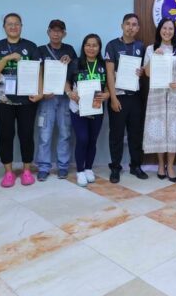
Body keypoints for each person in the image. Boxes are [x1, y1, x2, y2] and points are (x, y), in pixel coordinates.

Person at [0, 13, 40, 187]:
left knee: (26, 134)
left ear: (21, 26)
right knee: (5, 135)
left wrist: (40, 92)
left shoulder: (31, 46)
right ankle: (8, 172)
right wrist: (6, 59)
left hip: (27, 100)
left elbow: (39, 71)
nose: (13, 27)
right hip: (3, 101)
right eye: (9, 24)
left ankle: (26, 171)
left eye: (17, 24)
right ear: (4, 27)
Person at [143, 18, 176, 181]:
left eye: (171, 29)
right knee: (159, 128)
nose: (167, 31)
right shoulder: (151, 48)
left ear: (174, 31)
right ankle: (160, 164)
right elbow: (147, 73)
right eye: (164, 28)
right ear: (159, 30)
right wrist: (153, 57)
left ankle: (170, 165)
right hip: (157, 95)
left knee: (174, 129)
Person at [104, 13, 147, 183]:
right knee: (116, 135)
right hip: (118, 97)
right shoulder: (112, 45)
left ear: (138, 28)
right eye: (128, 24)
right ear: (122, 26)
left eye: (134, 24)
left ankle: (135, 166)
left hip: (135, 97)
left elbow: (145, 70)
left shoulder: (141, 46)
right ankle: (115, 167)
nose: (131, 27)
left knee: (135, 134)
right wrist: (113, 98)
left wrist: (142, 71)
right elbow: (109, 73)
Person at [33, 19, 76, 181]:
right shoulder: (40, 50)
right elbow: (36, 74)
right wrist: (42, 92)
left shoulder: (69, 49)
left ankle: (63, 166)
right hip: (46, 99)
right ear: (48, 32)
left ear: (64, 33)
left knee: (65, 133)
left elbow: (74, 73)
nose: (56, 33)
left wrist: (69, 62)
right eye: (53, 30)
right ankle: (43, 167)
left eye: (59, 31)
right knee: (45, 134)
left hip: (64, 98)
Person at [67, 34, 110, 187]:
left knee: (92, 139)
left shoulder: (103, 65)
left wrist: (107, 94)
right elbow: (67, 82)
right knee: (82, 138)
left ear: (99, 48)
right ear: (83, 47)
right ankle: (80, 171)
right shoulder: (75, 63)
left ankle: (88, 168)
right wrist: (69, 93)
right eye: (88, 45)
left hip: (96, 108)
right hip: (78, 108)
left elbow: (108, 86)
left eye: (95, 45)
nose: (91, 48)